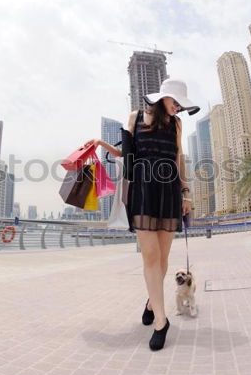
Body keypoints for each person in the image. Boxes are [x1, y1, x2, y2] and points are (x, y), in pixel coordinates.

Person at [85, 79, 199, 351]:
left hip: (169, 189)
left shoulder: (177, 124)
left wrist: (185, 192)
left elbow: (177, 158)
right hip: (143, 190)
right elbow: (127, 152)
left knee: (163, 258)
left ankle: (151, 302)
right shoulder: (135, 117)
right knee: (150, 256)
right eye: (176, 102)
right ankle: (161, 320)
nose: (178, 107)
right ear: (163, 98)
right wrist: (102, 143)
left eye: (181, 104)